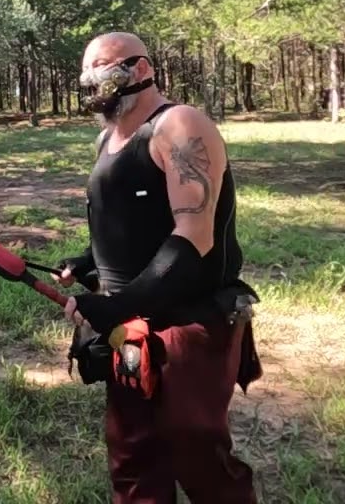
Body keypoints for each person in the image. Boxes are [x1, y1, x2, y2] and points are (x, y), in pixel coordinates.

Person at [57, 32, 262, 504]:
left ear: (142, 69)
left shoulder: (179, 126)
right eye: (88, 74)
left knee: (194, 447)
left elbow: (194, 235)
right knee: (132, 450)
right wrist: (87, 262)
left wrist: (120, 303)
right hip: (128, 329)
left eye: (104, 70)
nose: (94, 83)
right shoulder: (106, 139)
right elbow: (124, 221)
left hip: (189, 322)